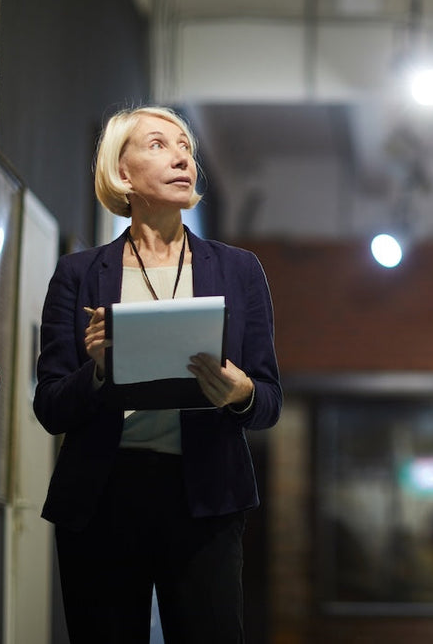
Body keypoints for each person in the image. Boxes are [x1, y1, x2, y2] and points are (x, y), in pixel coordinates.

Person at [33, 105, 282, 643]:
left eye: (186, 147)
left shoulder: (239, 270)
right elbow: (50, 407)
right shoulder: (78, 275)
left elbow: (269, 400)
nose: (181, 157)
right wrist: (98, 371)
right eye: (159, 145)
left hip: (205, 498)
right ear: (122, 174)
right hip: (102, 497)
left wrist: (238, 393)